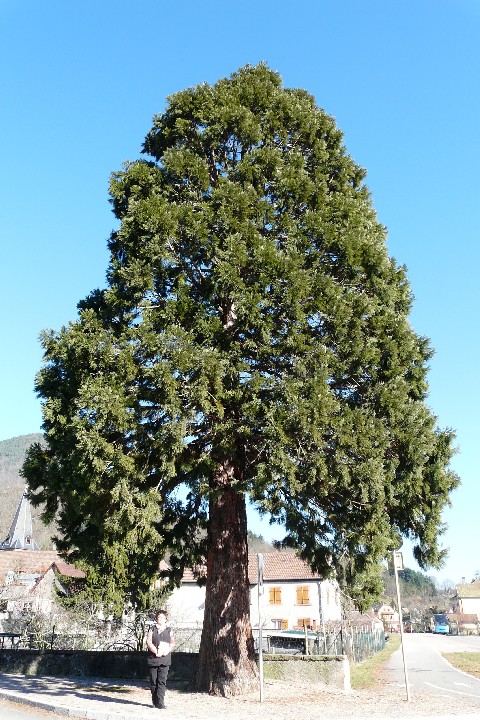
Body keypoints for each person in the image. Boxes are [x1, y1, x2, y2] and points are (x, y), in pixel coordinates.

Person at [146, 609, 175, 709]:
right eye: (159, 617)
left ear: (166, 619)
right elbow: (149, 642)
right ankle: (155, 701)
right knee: (154, 681)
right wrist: (155, 651)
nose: (161, 619)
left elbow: (172, 642)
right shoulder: (152, 629)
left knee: (162, 681)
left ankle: (160, 702)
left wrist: (166, 651)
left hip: (165, 659)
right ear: (156, 619)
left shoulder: (169, 630)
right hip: (153, 659)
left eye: (163, 618)